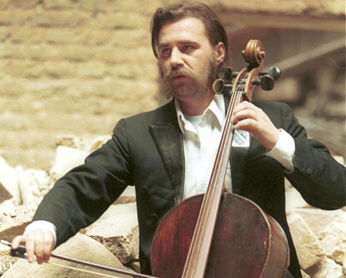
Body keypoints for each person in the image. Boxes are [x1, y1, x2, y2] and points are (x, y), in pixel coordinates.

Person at [12, 3, 345, 278]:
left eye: (187, 48)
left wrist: (277, 141)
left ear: (218, 53)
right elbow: (85, 184)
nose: (174, 59)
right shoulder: (137, 133)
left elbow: (335, 191)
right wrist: (45, 225)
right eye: (165, 50)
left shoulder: (272, 119)